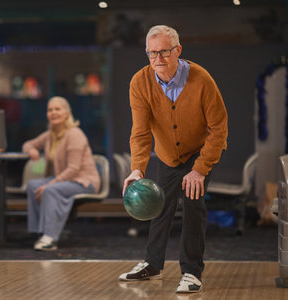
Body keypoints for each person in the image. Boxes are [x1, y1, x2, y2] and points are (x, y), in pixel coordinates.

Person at [118, 25, 228, 293]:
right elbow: (141, 133)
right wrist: (136, 170)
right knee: (159, 205)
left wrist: (200, 169)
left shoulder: (201, 79)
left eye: (164, 52)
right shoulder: (140, 82)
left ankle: (191, 272)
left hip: (199, 153)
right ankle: (152, 264)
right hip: (168, 155)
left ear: (178, 50)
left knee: (192, 205)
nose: (158, 59)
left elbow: (219, 128)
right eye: (152, 53)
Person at [22, 96, 100, 251]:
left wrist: (50, 184)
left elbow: (73, 169)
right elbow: (28, 144)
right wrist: (31, 149)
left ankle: (50, 238)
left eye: (57, 109)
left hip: (83, 180)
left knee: (50, 189)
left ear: (66, 113)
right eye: (50, 110)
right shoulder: (50, 135)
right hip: (66, 179)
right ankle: (41, 231)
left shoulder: (74, 134)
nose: (53, 113)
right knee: (33, 185)